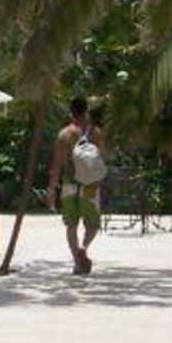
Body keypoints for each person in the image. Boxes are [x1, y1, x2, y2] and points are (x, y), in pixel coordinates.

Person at [46, 96, 107, 275]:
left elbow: (57, 164)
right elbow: (102, 158)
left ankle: (77, 263)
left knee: (71, 225)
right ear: (86, 111)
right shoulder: (95, 133)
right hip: (90, 185)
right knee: (92, 224)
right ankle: (83, 248)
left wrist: (51, 189)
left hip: (69, 184)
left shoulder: (64, 134)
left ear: (71, 112)